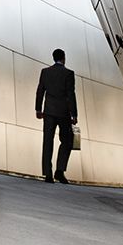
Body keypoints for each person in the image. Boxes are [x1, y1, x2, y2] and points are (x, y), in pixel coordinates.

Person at [35, 48, 78, 184]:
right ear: (64, 58)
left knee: (47, 142)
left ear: (53, 58)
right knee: (67, 141)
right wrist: (74, 114)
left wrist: (38, 109)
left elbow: (40, 91)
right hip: (64, 113)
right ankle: (60, 171)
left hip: (48, 112)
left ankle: (48, 174)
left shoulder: (45, 72)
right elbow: (71, 94)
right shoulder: (69, 74)